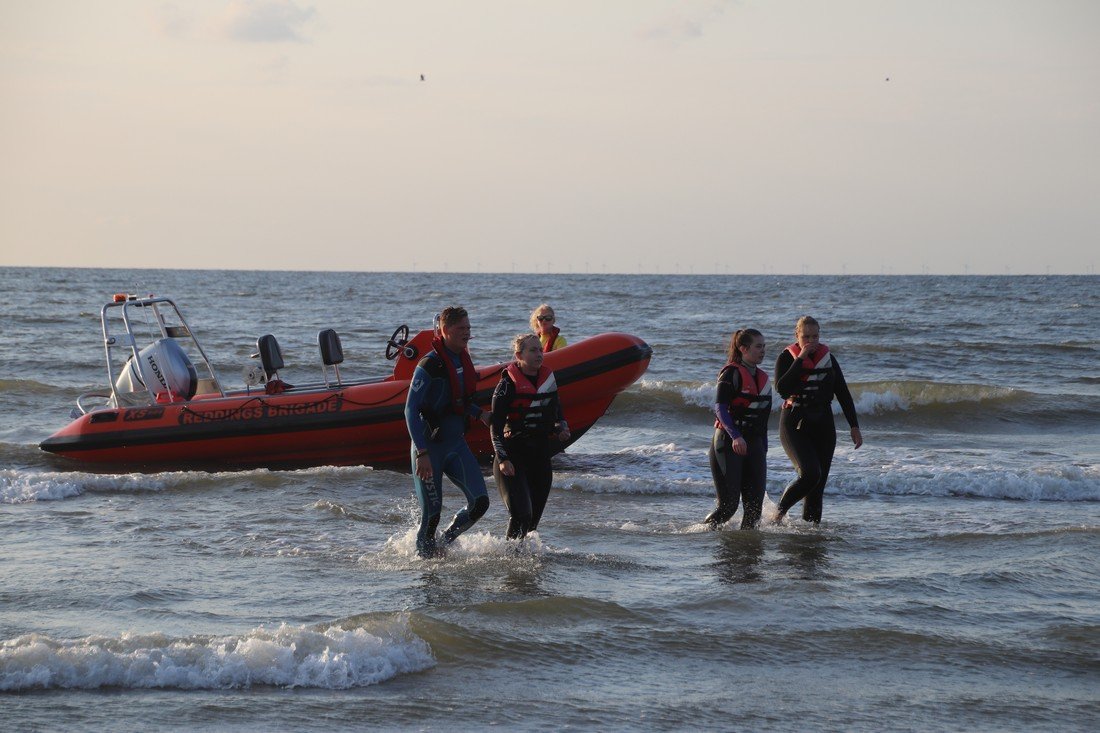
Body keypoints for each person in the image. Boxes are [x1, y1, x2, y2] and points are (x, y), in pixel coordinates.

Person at [404, 306, 492, 558]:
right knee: (431, 515)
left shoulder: (462, 359)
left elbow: (459, 401)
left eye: (468, 328)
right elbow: (410, 410)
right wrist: (421, 452)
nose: (467, 333)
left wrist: (481, 414)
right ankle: (426, 569)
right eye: (460, 329)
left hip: (456, 444)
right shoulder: (428, 365)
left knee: (480, 503)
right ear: (444, 331)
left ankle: (446, 541)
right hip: (429, 448)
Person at [773, 315, 862, 524]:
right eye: (806, 337)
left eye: (815, 336)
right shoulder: (786, 357)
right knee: (810, 473)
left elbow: (843, 392)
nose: (811, 341)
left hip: (823, 423)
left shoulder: (828, 358)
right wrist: (801, 358)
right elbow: (782, 389)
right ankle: (778, 513)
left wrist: (854, 426)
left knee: (818, 485)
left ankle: (810, 535)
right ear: (797, 336)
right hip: (794, 423)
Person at [491, 333, 570, 540]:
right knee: (521, 515)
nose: (539, 354)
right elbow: (495, 426)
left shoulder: (548, 380)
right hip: (513, 456)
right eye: (533, 350)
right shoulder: (507, 384)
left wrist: (561, 427)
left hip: (540, 457)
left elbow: (557, 411)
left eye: (540, 350)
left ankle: (520, 562)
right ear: (519, 354)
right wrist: (503, 458)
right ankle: (510, 560)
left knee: (532, 521)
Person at [705, 328, 772, 530]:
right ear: (743, 348)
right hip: (728, 441)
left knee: (754, 511)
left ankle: (746, 555)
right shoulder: (731, 373)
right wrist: (735, 436)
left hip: (755, 443)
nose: (763, 351)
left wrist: (763, 447)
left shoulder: (763, 378)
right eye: (758, 346)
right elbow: (720, 408)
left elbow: (763, 419)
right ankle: (701, 536)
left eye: (764, 346)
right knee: (728, 507)